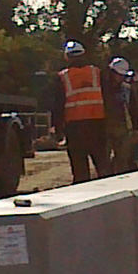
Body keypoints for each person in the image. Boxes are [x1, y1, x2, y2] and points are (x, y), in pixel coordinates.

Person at [53, 40, 111, 183]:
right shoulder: (96, 72)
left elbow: (58, 105)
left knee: (80, 169)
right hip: (97, 124)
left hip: (74, 127)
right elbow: (108, 97)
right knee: (103, 165)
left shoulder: (62, 77)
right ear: (84, 55)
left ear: (67, 57)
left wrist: (58, 128)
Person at [107, 56, 138, 173]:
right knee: (104, 161)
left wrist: (135, 128)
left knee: (123, 159)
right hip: (104, 128)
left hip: (123, 129)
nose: (120, 77)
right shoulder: (102, 88)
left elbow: (133, 108)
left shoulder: (127, 89)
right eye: (118, 74)